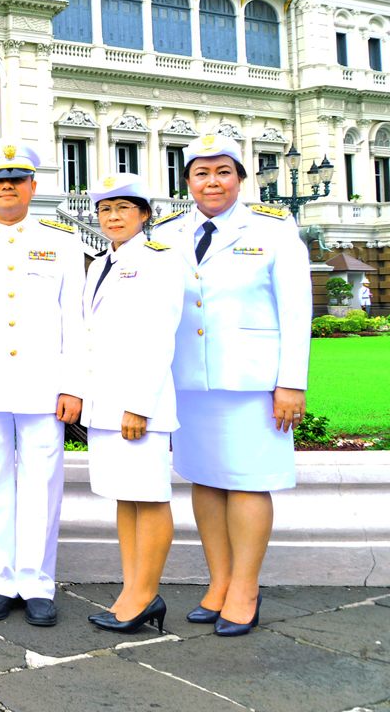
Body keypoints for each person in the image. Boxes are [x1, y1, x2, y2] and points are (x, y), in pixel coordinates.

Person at [153, 133, 310, 636]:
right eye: (201, 173)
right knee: (205, 479)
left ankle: (245, 587)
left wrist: (291, 383)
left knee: (248, 482)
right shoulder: (168, 233)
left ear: (240, 178)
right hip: (190, 379)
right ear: (187, 182)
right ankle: (219, 582)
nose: (212, 182)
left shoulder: (273, 228)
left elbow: (296, 309)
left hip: (252, 381)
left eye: (223, 171)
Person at [0, 140, 84, 628]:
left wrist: (73, 385)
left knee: (43, 488)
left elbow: (75, 320)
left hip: (43, 387)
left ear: (32, 186)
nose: (7, 187)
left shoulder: (63, 243)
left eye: (16, 180)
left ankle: (38, 583)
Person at [82, 172, 185, 634]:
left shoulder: (159, 260)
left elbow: (160, 337)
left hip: (138, 405)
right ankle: (131, 590)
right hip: (105, 402)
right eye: (105, 209)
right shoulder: (99, 264)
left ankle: (145, 594)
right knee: (125, 498)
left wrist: (140, 405)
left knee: (150, 497)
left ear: (144, 214)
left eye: (123, 207)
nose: (112, 216)